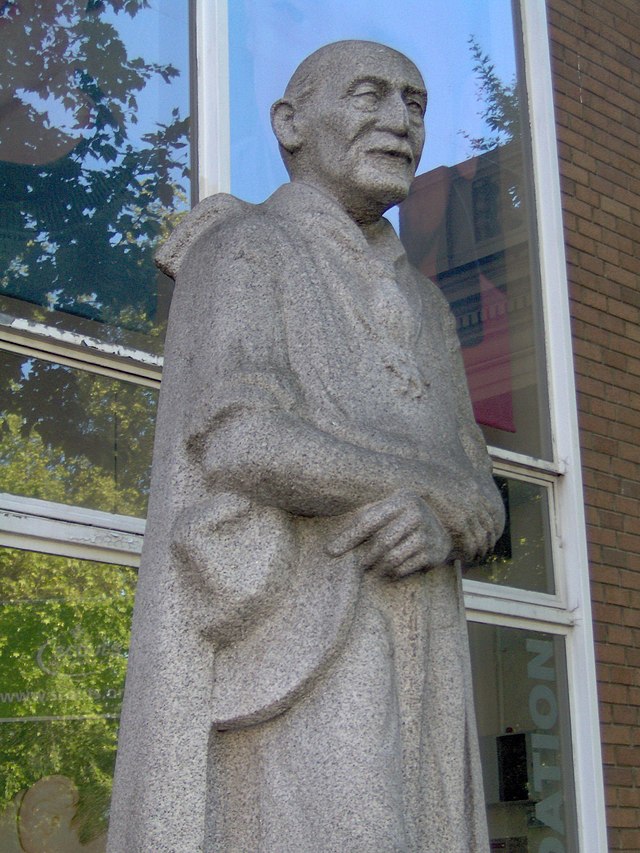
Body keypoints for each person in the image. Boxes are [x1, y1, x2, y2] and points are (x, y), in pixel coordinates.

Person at [107, 41, 504, 853]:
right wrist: (426, 485)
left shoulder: (430, 307)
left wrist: (449, 519)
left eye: (417, 105)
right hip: (305, 637)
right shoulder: (244, 247)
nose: (400, 122)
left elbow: (483, 494)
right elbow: (238, 437)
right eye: (370, 95)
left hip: (423, 635)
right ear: (291, 122)